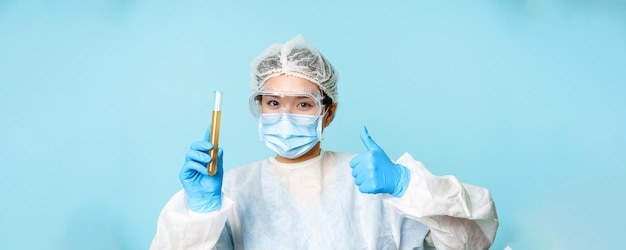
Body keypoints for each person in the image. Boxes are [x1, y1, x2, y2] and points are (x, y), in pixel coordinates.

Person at [150, 35, 498, 249]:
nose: (285, 116)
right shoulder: (232, 192)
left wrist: (407, 186)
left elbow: (472, 240)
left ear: (327, 113)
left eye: (303, 104)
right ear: (259, 108)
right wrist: (199, 214)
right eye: (273, 103)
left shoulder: (372, 181)